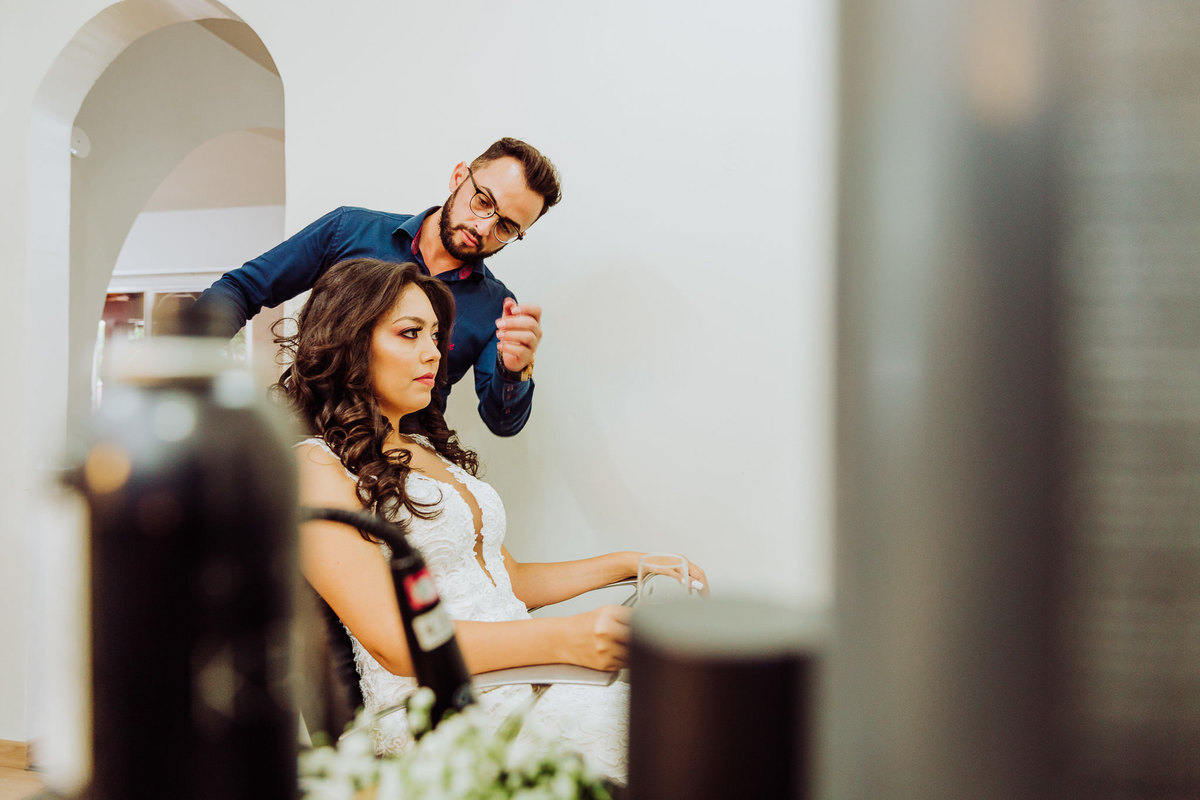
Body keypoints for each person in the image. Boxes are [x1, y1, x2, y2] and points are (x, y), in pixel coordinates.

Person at [275, 258, 707, 782]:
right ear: (349, 341)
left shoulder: (423, 446)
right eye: (409, 333)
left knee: (694, 713)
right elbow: (393, 640)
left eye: (435, 335)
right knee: (672, 737)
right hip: (439, 713)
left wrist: (628, 563)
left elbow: (508, 581)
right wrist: (566, 639)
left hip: (523, 675)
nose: (433, 352)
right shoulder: (314, 465)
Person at [198, 137, 558, 437]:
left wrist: (515, 369)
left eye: (506, 227)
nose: (483, 227)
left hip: (404, 472)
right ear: (459, 176)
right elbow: (241, 290)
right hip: (305, 439)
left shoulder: (497, 306)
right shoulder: (348, 230)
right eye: (483, 201)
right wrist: (182, 364)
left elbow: (502, 422)